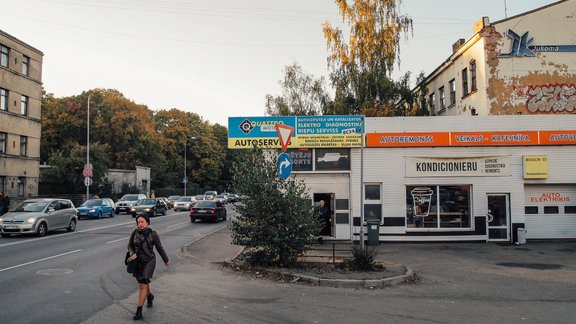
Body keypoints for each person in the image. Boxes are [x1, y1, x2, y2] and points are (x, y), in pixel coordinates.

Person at [127, 213, 171, 320]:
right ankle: (150, 296)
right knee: (144, 282)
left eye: (142, 222)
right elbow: (130, 246)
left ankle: (139, 310)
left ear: (147, 222)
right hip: (137, 262)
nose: (140, 224)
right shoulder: (135, 232)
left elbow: (160, 248)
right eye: (138, 222)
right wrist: (132, 253)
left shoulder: (153, 234)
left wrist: (166, 260)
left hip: (149, 261)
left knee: (142, 285)